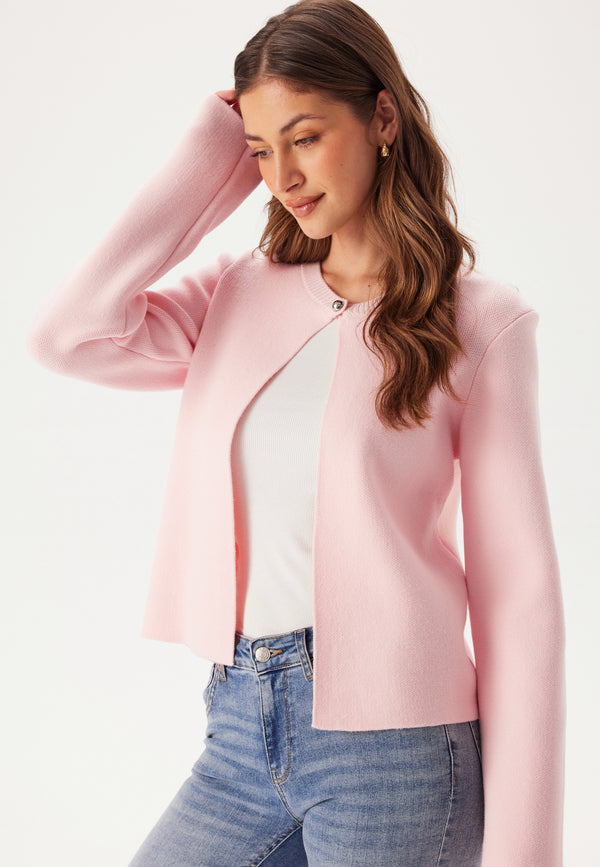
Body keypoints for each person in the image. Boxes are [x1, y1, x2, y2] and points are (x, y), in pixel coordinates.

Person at [27, 0, 566, 864]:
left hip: (398, 750)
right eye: (260, 150)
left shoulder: (480, 322)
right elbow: (69, 334)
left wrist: (526, 852)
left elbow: (521, 599)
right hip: (240, 725)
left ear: (382, 116)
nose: (284, 176)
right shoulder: (238, 292)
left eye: (305, 137)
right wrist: (213, 151)